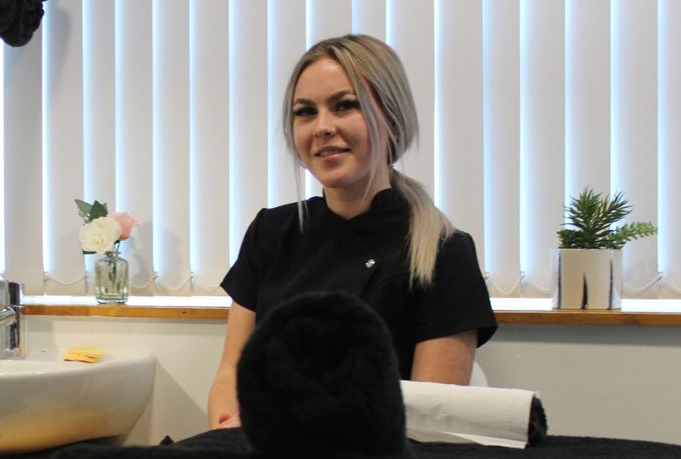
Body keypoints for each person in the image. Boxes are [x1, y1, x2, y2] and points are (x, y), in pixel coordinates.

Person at [208, 34, 497, 430]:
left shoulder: (443, 252)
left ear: (393, 121)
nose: (323, 127)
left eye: (345, 106)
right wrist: (229, 432)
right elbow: (231, 375)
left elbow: (431, 423)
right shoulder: (269, 233)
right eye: (305, 112)